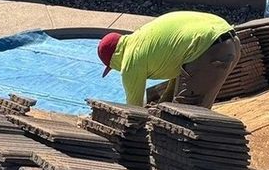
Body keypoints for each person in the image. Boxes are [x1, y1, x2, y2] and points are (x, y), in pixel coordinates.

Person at [97, 11, 241, 109]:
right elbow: (181, 71)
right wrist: (163, 104)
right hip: (232, 40)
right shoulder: (142, 38)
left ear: (113, 60)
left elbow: (134, 110)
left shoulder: (130, 60)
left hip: (209, 48)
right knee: (198, 108)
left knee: (186, 117)